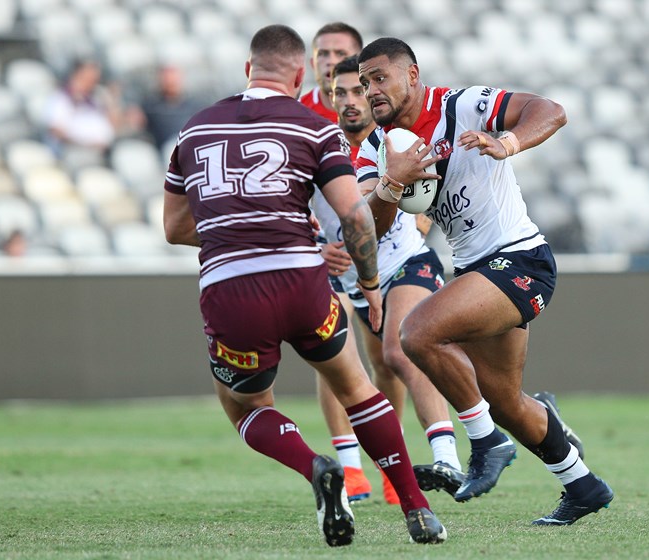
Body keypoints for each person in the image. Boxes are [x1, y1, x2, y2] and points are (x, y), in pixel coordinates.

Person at [161, 25, 446, 545]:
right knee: (358, 389)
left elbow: (175, 229)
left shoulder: (194, 129)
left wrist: (238, 223)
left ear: (248, 71)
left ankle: (316, 467)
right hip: (303, 281)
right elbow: (357, 218)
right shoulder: (314, 128)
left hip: (230, 288)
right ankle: (417, 508)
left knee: (246, 406)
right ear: (299, 76)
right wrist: (370, 283)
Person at [356, 37, 614, 526]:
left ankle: (486, 442)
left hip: (520, 259)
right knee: (506, 401)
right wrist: (393, 182)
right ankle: (582, 485)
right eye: (365, 82)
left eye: (379, 78)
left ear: (412, 75)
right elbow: (371, 225)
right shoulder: (375, 146)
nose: (371, 90)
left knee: (417, 332)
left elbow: (551, 110)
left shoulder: (463, 106)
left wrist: (509, 141)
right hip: (478, 270)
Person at [311, 54, 464, 505]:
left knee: (401, 349)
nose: (350, 100)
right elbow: (294, 209)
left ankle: (446, 459)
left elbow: (424, 191)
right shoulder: (316, 148)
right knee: (353, 370)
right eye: (340, 93)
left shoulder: (392, 140)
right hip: (354, 281)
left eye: (358, 90)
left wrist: (418, 222)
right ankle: (367, 471)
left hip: (404, 263)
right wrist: (317, 246)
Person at [42, 59, 127, 158]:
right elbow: (56, 130)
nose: (93, 83)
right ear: (78, 75)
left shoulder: (96, 99)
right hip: (74, 152)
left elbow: (114, 125)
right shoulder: (61, 98)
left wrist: (112, 100)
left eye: (95, 80)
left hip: (102, 152)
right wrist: (86, 144)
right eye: (90, 79)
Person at [136, 64, 204, 150]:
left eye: (173, 76)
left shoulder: (195, 106)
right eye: (166, 76)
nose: (170, 81)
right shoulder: (149, 106)